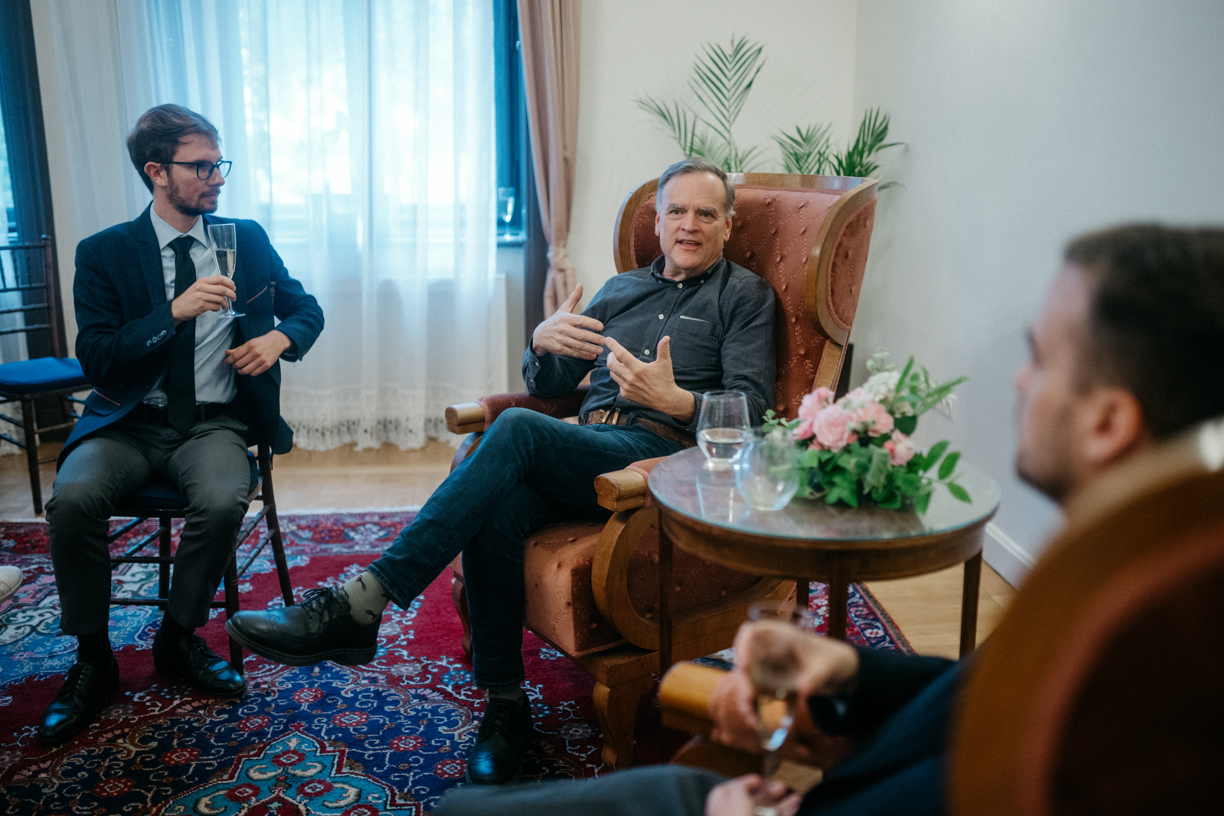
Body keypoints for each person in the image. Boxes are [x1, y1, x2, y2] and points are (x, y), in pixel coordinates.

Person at [429, 223, 1224, 815]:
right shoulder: (1131, 584)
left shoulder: (1157, 651)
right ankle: (501, 699)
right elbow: (992, 697)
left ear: (1109, 422)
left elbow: (749, 410)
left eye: (1042, 359)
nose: (1019, 383)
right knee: (503, 492)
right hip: (774, 779)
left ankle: (384, 592)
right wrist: (850, 672)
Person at [226, 157, 777, 785]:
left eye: (705, 213)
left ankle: (365, 600)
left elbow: (754, 414)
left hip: (659, 459)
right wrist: (541, 343)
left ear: (728, 224)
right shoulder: (620, 290)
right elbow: (552, 384)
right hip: (585, 450)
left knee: (512, 428)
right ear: (657, 220)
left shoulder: (745, 297)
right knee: (497, 508)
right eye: (676, 210)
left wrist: (675, 402)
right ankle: (506, 703)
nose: (689, 224)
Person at [39, 104, 324, 746]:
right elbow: (98, 358)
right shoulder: (105, 252)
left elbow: (306, 307)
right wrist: (172, 312)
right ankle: (92, 658)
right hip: (125, 425)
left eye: (220, 164)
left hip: (212, 425)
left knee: (223, 499)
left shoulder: (243, 239)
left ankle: (177, 636)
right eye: (201, 167)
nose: (217, 178)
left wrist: (279, 338)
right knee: (74, 500)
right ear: (157, 172)